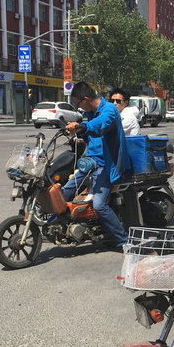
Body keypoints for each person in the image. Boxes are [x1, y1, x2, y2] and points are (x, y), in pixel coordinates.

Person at [62, 81, 131, 249]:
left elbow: (99, 126)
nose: (79, 107)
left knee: (99, 204)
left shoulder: (109, 110)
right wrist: (79, 137)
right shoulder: (91, 112)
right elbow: (90, 135)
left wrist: (81, 127)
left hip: (107, 165)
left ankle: (124, 241)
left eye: (78, 103)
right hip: (91, 162)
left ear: (85, 99)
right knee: (64, 191)